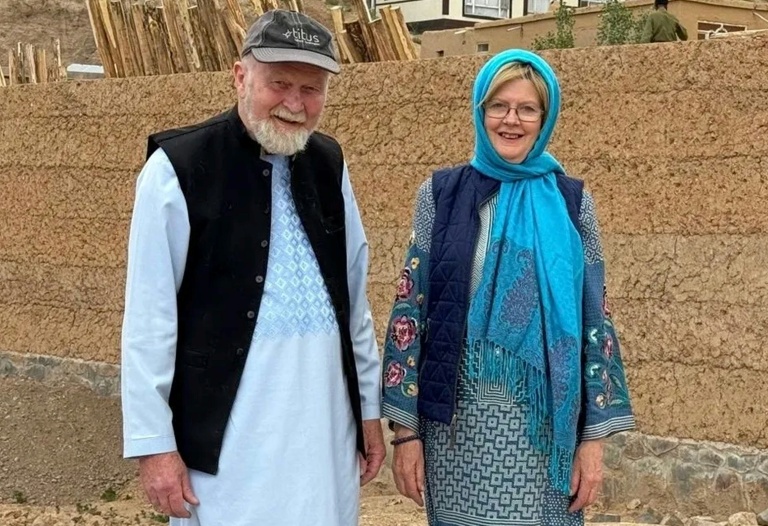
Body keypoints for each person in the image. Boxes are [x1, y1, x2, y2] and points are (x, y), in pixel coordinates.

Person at [120, 10, 384, 526]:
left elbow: (354, 302)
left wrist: (368, 410)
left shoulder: (330, 164)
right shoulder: (177, 168)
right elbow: (149, 320)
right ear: (240, 76)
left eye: (311, 89)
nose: (295, 103)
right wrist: (154, 444)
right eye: (279, 84)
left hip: (326, 430)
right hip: (230, 446)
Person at [381, 49, 635, 526]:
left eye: (527, 108)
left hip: (546, 432)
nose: (511, 120)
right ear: (480, 111)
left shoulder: (572, 203)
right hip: (454, 433)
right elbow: (408, 312)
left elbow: (595, 322)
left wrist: (593, 441)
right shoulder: (439, 195)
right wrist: (405, 432)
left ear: (546, 118)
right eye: (498, 105)